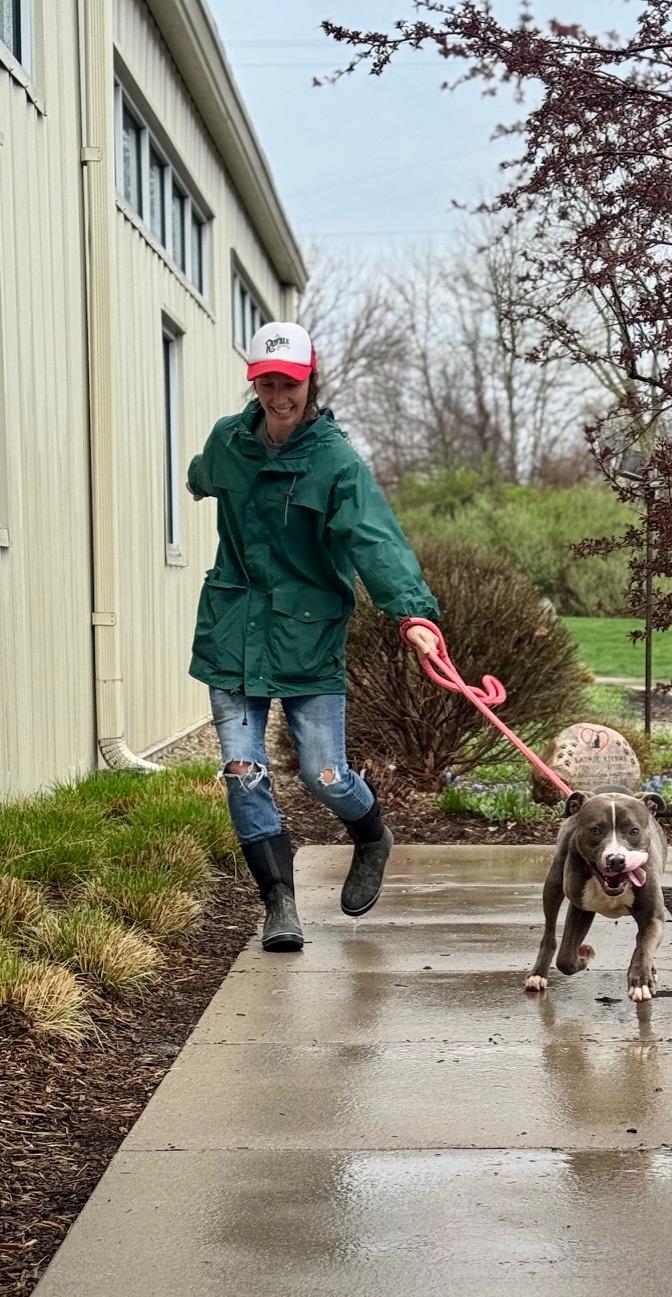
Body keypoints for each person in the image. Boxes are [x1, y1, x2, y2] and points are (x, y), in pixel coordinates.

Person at [186, 321, 440, 952]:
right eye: (267, 383)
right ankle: (279, 905)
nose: (279, 396)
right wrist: (195, 483)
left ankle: (371, 832)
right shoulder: (230, 442)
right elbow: (201, 471)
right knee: (243, 772)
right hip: (235, 634)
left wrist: (414, 615)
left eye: (290, 383)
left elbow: (375, 540)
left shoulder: (336, 462)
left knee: (325, 775)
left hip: (308, 637)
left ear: (309, 381)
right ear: (255, 384)